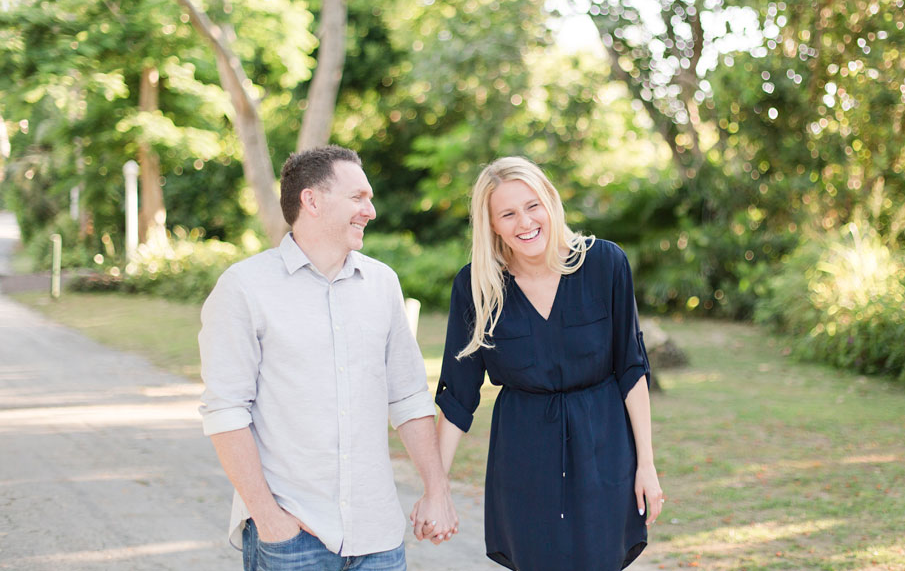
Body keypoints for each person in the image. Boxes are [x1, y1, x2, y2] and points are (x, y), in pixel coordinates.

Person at [198, 145, 457, 571]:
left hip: (378, 536)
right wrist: (269, 520)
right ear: (311, 201)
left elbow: (409, 398)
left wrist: (437, 490)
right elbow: (226, 412)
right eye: (358, 197)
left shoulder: (382, 284)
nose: (370, 211)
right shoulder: (244, 288)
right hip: (292, 537)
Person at [434, 156, 663, 571]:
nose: (524, 222)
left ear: (550, 203)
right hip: (524, 459)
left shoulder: (605, 264)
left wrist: (646, 464)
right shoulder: (476, 287)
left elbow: (632, 370)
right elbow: (458, 395)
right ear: (492, 225)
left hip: (603, 449)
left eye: (532, 205)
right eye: (508, 213)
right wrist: (436, 487)